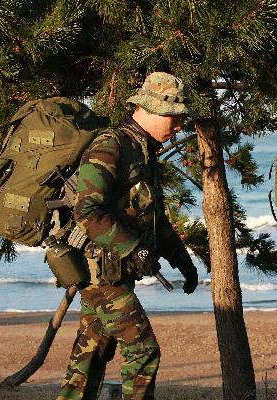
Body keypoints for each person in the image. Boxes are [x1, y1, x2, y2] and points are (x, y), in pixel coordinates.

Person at [57, 72, 199, 400]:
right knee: (144, 351)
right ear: (152, 111)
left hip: (115, 273)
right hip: (101, 275)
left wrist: (182, 260)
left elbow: (155, 217)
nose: (178, 128)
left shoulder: (144, 152)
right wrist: (134, 248)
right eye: (175, 119)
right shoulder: (111, 145)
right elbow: (87, 212)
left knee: (89, 357)